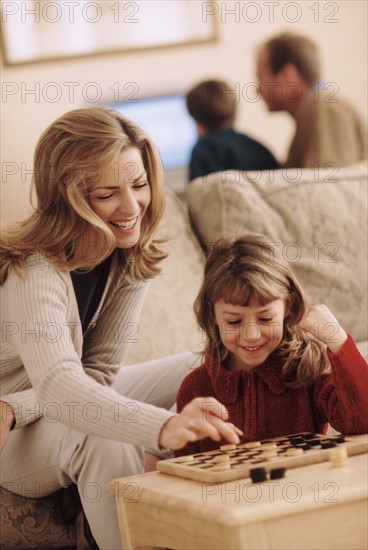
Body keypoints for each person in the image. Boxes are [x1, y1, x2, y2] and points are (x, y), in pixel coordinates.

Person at [0, 107, 242, 549]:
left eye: (139, 185)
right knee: (98, 435)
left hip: (28, 408)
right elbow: (60, 385)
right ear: (68, 196)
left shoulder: (128, 257)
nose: (131, 208)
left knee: (216, 356)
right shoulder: (33, 271)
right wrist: (162, 428)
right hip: (11, 441)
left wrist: (17, 404)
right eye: (107, 193)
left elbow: (95, 379)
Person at [176, 234, 368, 456]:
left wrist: (338, 340)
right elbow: (183, 470)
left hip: (303, 489)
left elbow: (363, 421)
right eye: (234, 321)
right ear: (212, 315)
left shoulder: (308, 371)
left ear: (289, 305)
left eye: (265, 319)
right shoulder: (195, 388)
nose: (251, 335)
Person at [256, 32, 367, 168]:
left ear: (287, 75)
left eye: (260, 77)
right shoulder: (319, 106)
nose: (256, 89)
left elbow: (325, 185)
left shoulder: (322, 106)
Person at [186, 79, 280, 181]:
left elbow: (197, 192)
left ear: (196, 119)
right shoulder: (257, 147)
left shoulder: (202, 151)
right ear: (234, 112)